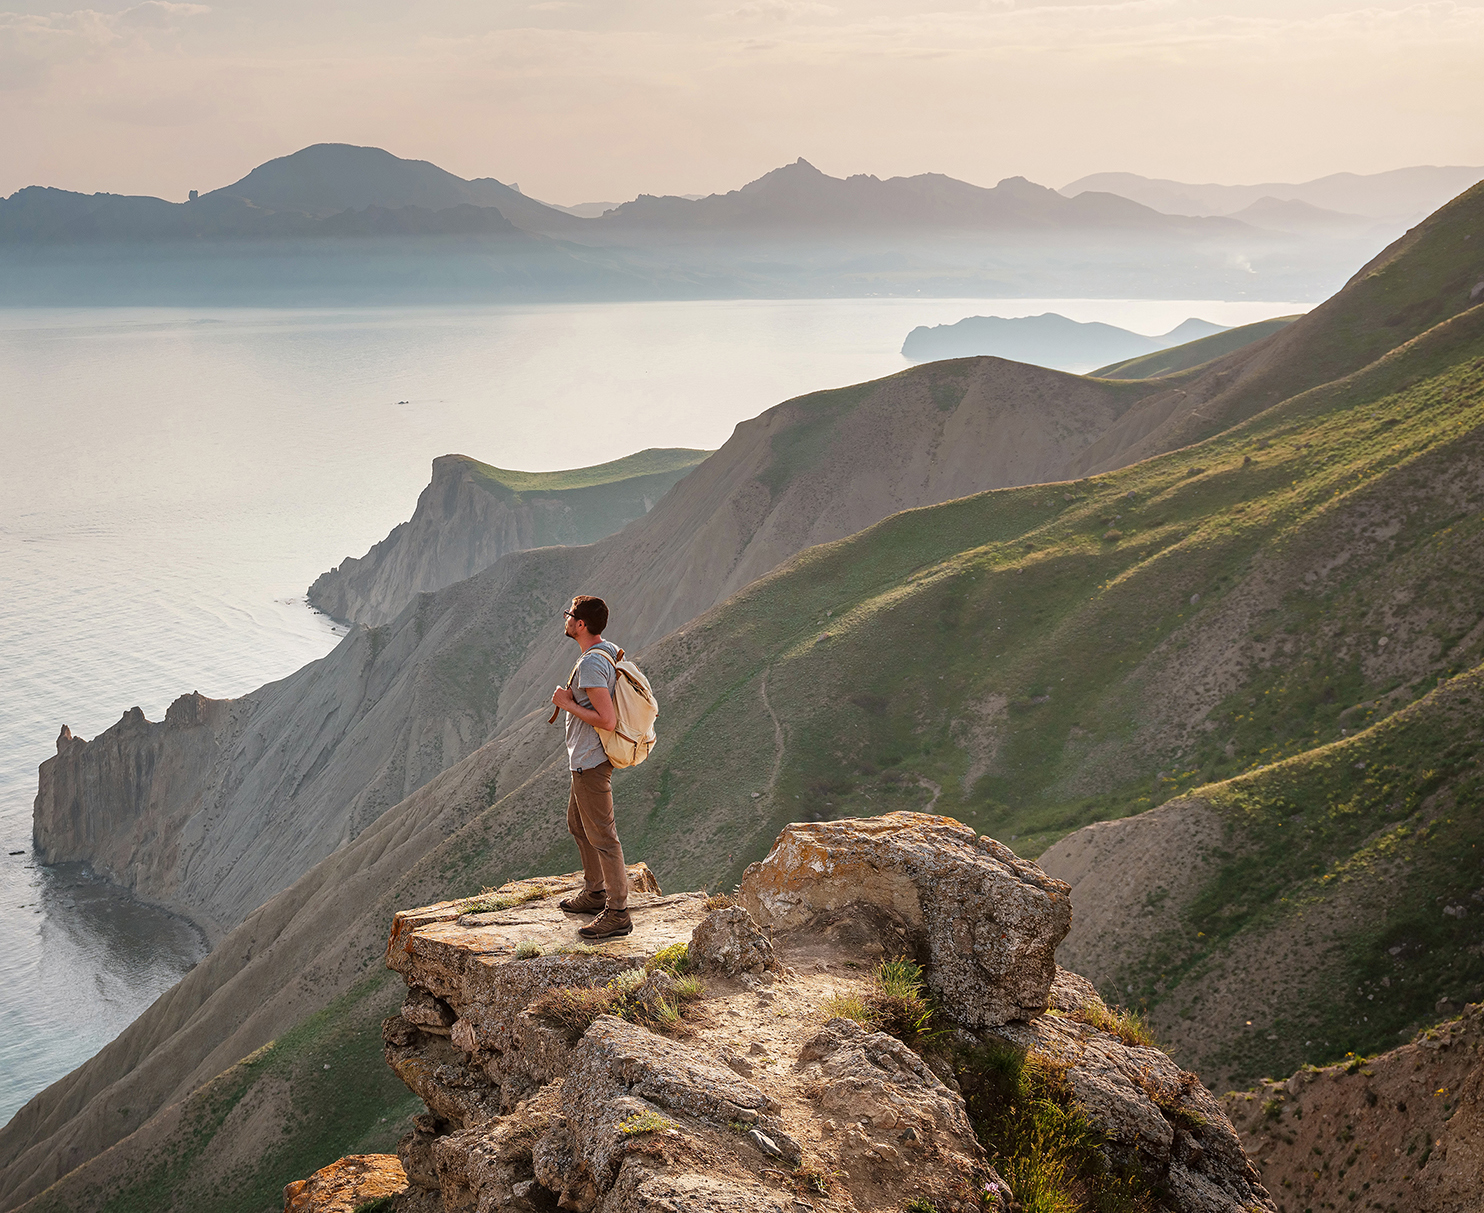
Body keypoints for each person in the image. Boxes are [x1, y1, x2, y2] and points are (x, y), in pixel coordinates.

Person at [550, 594, 633, 939]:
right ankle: (595, 892)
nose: (566, 619)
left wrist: (566, 704)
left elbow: (608, 720)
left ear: (580, 624)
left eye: (569, 614)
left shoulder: (590, 665)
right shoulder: (607, 650)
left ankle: (618, 912)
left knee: (603, 837)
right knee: (577, 824)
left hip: (591, 763)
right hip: (584, 761)